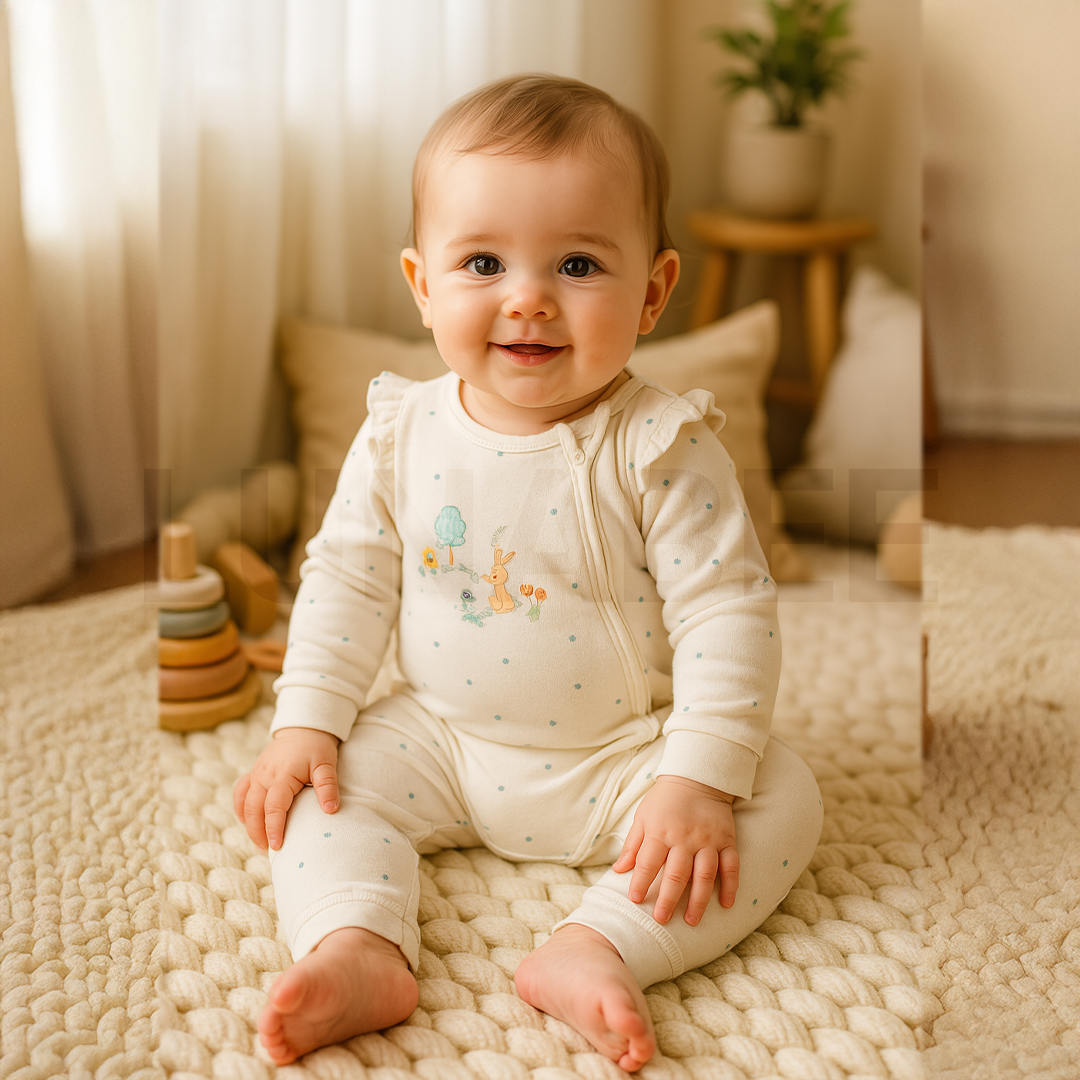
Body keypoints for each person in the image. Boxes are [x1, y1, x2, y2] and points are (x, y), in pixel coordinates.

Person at [233, 73, 822, 1072]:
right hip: (445, 743)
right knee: (317, 793)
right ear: (424, 286)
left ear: (653, 290)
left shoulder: (659, 444)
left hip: (623, 760)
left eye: (579, 262)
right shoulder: (398, 434)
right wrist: (307, 720)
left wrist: (694, 776)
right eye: (483, 262)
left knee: (781, 798)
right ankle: (357, 943)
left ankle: (599, 947)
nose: (529, 298)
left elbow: (728, 609)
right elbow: (347, 579)